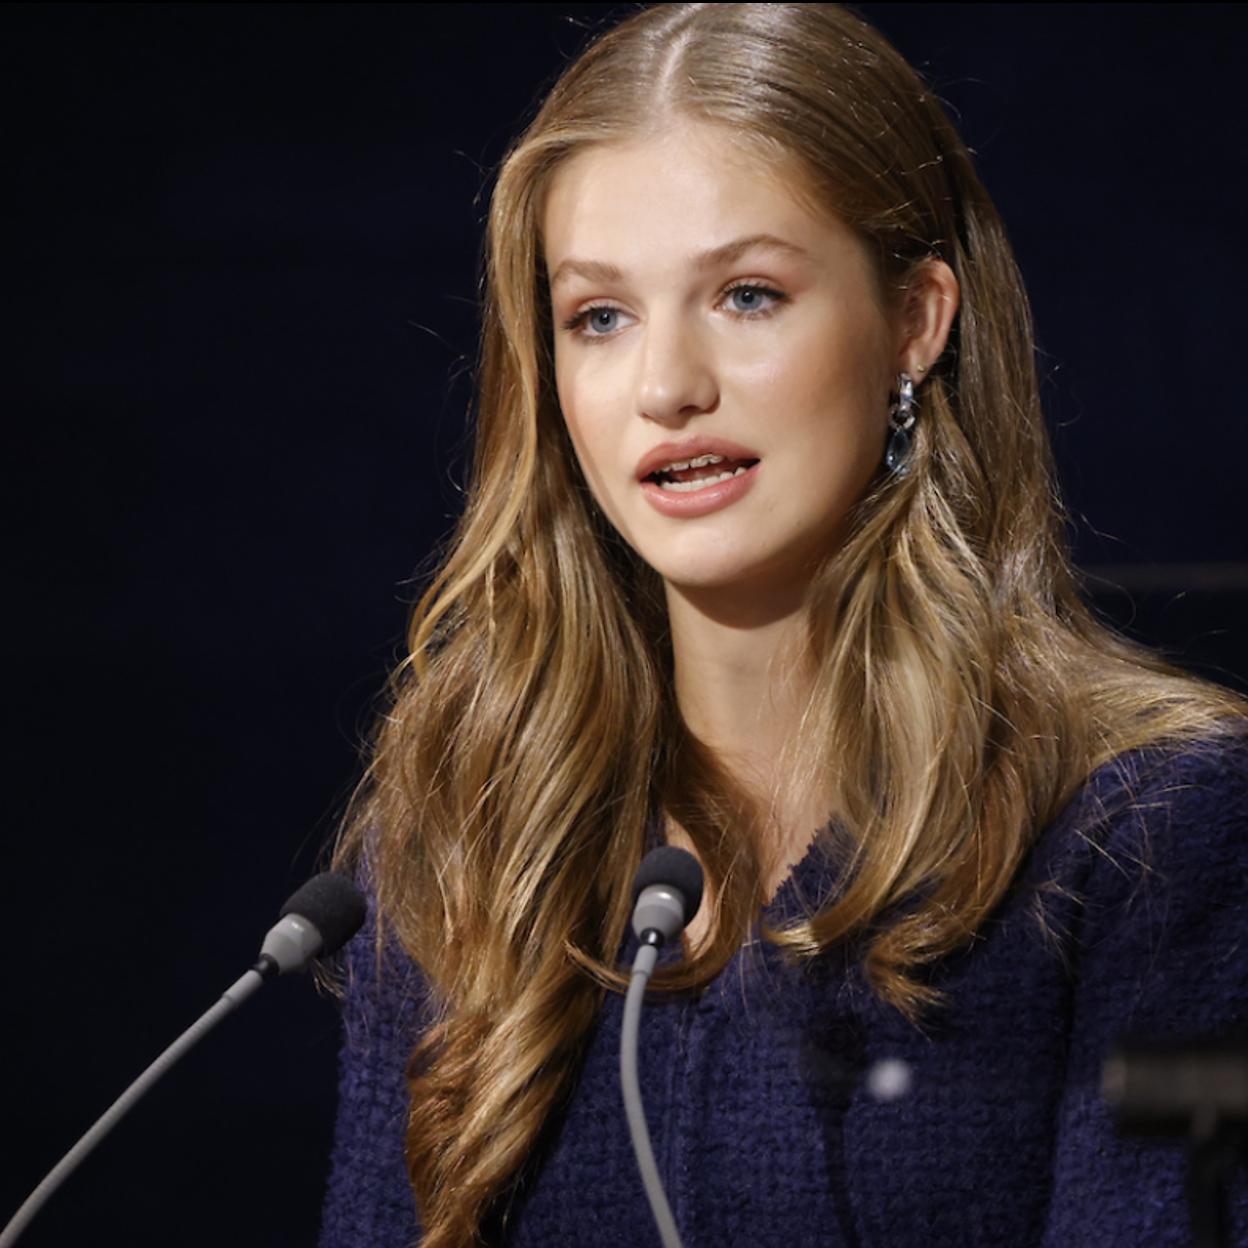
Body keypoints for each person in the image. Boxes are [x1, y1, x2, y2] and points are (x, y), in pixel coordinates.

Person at [318, 5, 1248, 1246]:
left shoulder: (1149, 834)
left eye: (748, 296)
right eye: (600, 317)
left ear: (916, 320)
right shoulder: (470, 831)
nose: (666, 387)